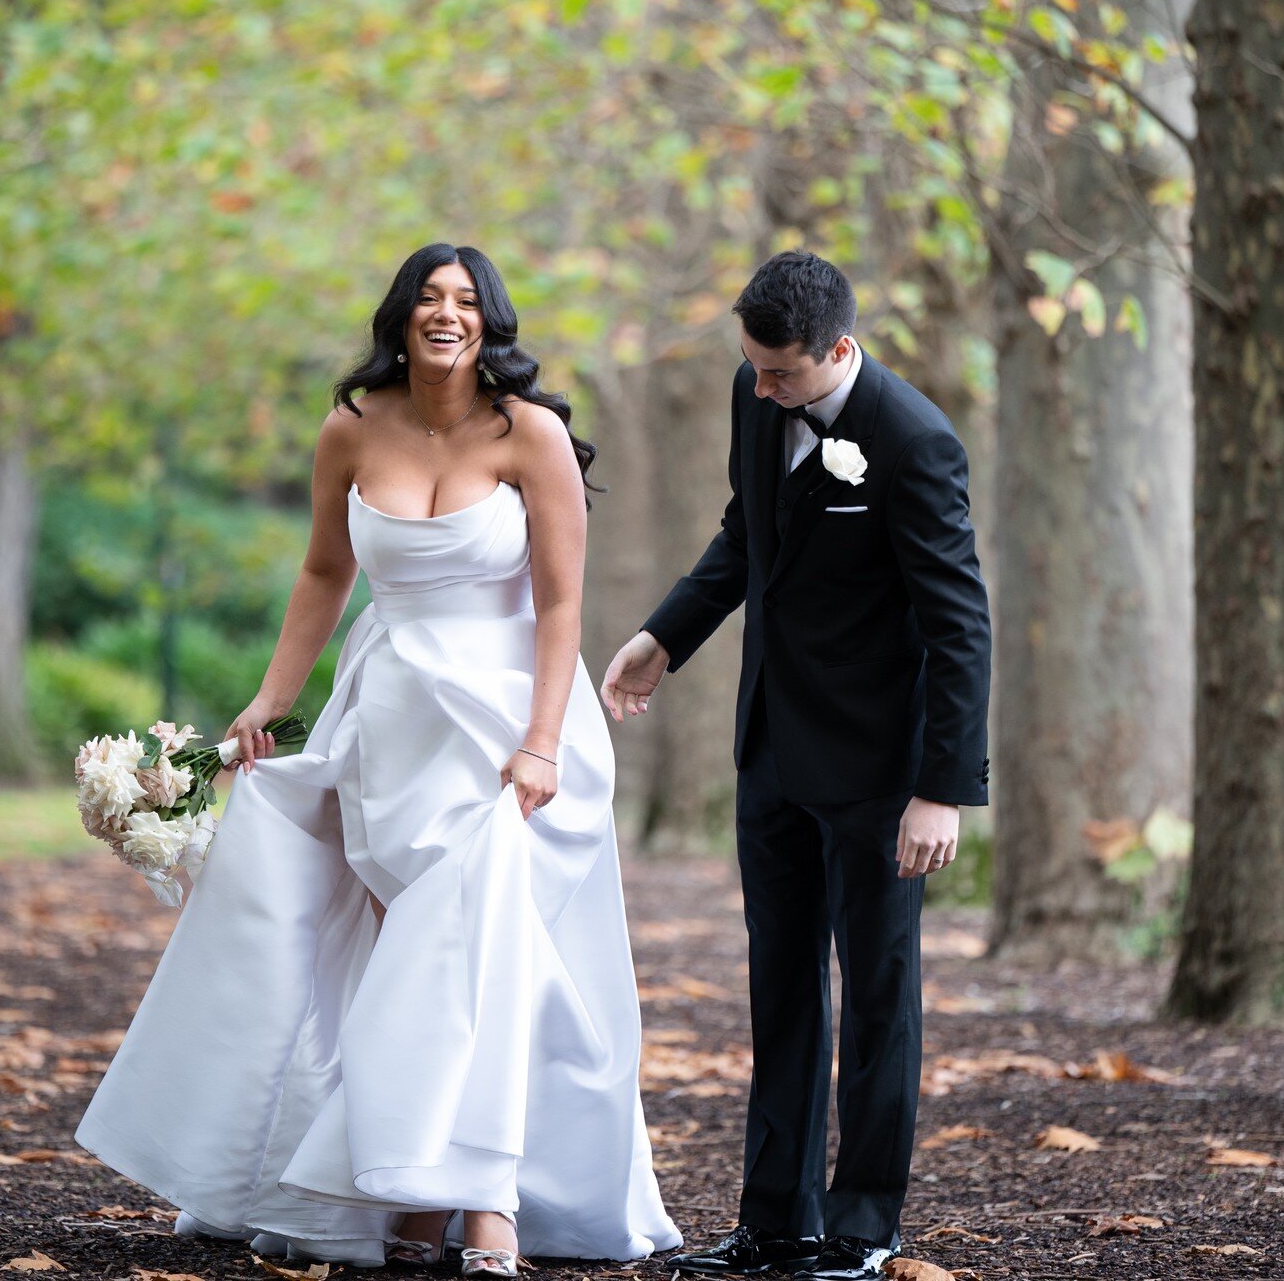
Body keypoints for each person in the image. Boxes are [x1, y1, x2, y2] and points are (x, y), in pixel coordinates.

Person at [76, 242, 679, 1276]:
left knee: (479, 936)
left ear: (490, 322)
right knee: (417, 956)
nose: (446, 315)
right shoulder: (352, 428)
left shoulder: (528, 433)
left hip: (512, 727)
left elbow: (562, 604)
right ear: (402, 317)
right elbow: (322, 569)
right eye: (429, 300)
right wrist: (270, 702)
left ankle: (481, 1201)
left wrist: (541, 743)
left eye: (466, 302)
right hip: (393, 719)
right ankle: (410, 1189)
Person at [603, 250, 991, 1281]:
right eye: (757, 372)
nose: (766, 391)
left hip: (878, 769)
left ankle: (863, 1232)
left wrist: (942, 789)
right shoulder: (753, 389)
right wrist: (665, 637)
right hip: (771, 745)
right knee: (778, 988)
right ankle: (776, 1221)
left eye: (785, 377)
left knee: (875, 996)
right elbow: (750, 533)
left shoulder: (915, 440)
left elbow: (960, 625)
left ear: (842, 351)